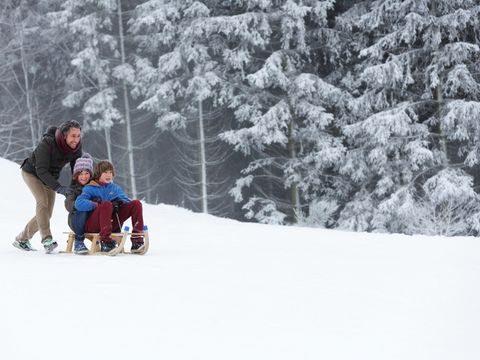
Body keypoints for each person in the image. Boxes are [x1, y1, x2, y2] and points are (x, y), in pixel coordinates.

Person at [13, 120, 83, 253]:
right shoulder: (48, 143)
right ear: (64, 136)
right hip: (32, 173)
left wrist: (77, 188)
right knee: (42, 203)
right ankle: (47, 239)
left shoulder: (76, 147)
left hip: (50, 178)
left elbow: (77, 171)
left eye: (78, 136)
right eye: (73, 136)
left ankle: (22, 239)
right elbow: (41, 171)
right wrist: (59, 188)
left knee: (47, 213)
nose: (76, 139)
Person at [74, 160, 145, 253]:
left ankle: (137, 240)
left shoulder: (114, 188)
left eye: (110, 172)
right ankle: (105, 241)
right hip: (93, 224)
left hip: (110, 223)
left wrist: (119, 202)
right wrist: (97, 205)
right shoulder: (90, 188)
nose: (109, 175)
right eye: (105, 172)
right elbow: (79, 203)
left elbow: (126, 200)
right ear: (99, 173)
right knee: (106, 204)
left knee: (136, 204)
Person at [64, 153, 94, 255]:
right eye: (80, 174)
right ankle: (79, 241)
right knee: (83, 208)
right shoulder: (72, 189)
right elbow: (68, 204)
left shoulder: (94, 187)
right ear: (76, 176)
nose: (84, 177)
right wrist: (79, 204)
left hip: (91, 220)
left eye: (86, 173)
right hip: (76, 220)